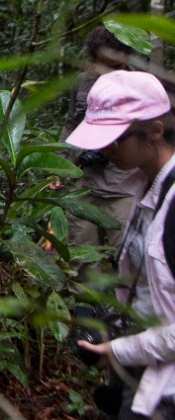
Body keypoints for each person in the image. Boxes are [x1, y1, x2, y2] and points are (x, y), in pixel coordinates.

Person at [69, 70, 175, 418]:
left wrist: (120, 350)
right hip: (142, 365)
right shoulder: (144, 188)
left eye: (116, 139)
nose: (104, 149)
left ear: (155, 131)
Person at [63, 27, 139, 249]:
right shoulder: (82, 81)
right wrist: (60, 163)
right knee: (82, 256)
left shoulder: (141, 84)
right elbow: (72, 122)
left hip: (124, 186)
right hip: (85, 180)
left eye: (116, 66)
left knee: (127, 258)